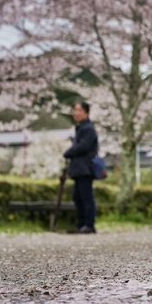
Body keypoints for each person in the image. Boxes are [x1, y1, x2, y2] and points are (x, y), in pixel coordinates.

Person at [63, 100, 99, 234]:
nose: (75, 113)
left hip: (85, 168)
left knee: (85, 197)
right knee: (77, 197)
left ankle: (88, 225)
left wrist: (69, 152)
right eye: (74, 110)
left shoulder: (88, 128)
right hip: (80, 169)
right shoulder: (81, 128)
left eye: (79, 110)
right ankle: (81, 224)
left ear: (86, 112)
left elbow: (83, 146)